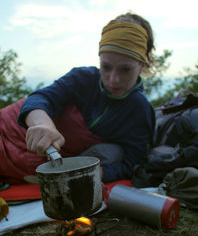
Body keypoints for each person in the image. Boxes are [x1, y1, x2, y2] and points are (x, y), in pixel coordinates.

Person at [0, 12, 155, 185]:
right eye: (106, 66)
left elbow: (132, 163)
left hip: (47, 157)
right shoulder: (83, 78)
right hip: (10, 127)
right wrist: (43, 124)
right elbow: (40, 98)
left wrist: (96, 173)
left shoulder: (139, 110)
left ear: (142, 64)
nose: (113, 79)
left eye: (125, 69)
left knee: (113, 152)